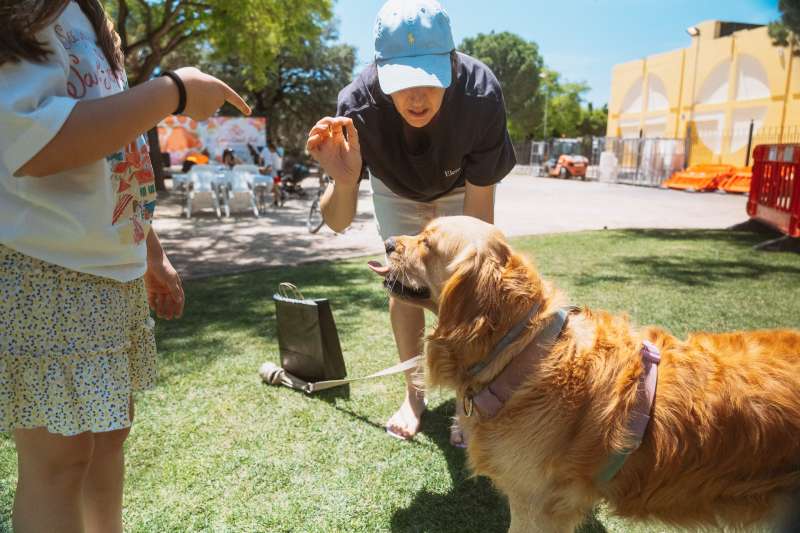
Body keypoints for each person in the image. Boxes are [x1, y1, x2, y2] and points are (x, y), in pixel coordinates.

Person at [0, 1, 249, 531]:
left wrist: (150, 251)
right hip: (45, 269)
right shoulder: (22, 9)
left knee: (110, 436)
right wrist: (172, 92)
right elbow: (33, 143)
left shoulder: (87, 16)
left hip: (110, 268)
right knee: (58, 462)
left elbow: (114, 148)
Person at [306, 0, 515, 444]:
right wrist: (343, 183)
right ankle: (414, 393)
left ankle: (469, 397)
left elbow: (480, 226)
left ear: (453, 64)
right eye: (403, 81)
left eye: (429, 79)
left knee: (469, 289)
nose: (417, 97)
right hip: (395, 188)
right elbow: (338, 222)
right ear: (380, 68)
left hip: (461, 186)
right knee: (404, 288)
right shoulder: (356, 106)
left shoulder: (481, 96)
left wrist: (463, 283)